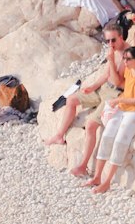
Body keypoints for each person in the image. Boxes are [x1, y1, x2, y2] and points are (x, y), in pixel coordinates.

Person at [44, 23, 126, 167]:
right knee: (71, 99)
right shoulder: (113, 52)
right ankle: (59, 135)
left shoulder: (127, 55)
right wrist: (93, 86)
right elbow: (107, 75)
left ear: (121, 37)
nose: (110, 44)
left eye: (113, 40)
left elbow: (117, 81)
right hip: (105, 88)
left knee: (91, 125)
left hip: (116, 93)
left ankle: (83, 165)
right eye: (107, 41)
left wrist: (111, 60)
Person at [83, 47, 135, 194]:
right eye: (124, 58)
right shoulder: (128, 70)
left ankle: (107, 182)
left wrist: (119, 99)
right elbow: (118, 83)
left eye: (128, 59)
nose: (125, 62)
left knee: (120, 141)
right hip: (123, 107)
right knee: (107, 136)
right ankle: (97, 177)